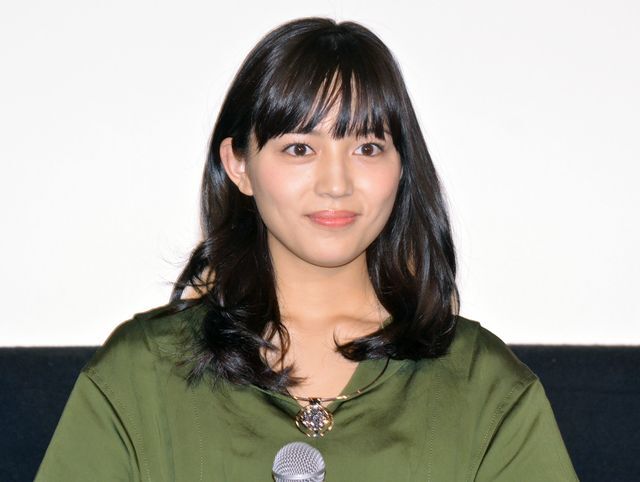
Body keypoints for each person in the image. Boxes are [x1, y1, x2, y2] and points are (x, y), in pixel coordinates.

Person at [35, 17, 579, 481]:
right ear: (239, 165)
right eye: (299, 148)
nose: (336, 184)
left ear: (402, 168)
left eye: (368, 147)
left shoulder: (485, 387)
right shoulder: (139, 376)